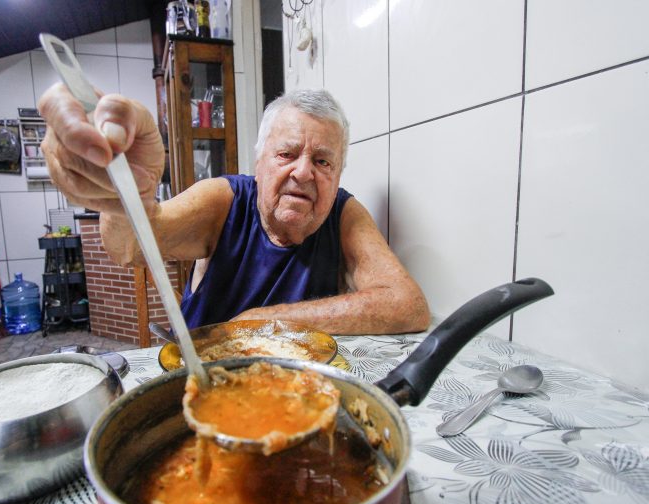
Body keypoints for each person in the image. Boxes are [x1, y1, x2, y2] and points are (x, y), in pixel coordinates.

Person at [38, 86, 430, 334]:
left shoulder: (343, 213)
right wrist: (121, 188)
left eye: (324, 162)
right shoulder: (225, 201)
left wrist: (261, 322)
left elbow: (407, 306)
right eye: (286, 154)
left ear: (338, 172)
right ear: (258, 165)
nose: (304, 172)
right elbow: (129, 247)